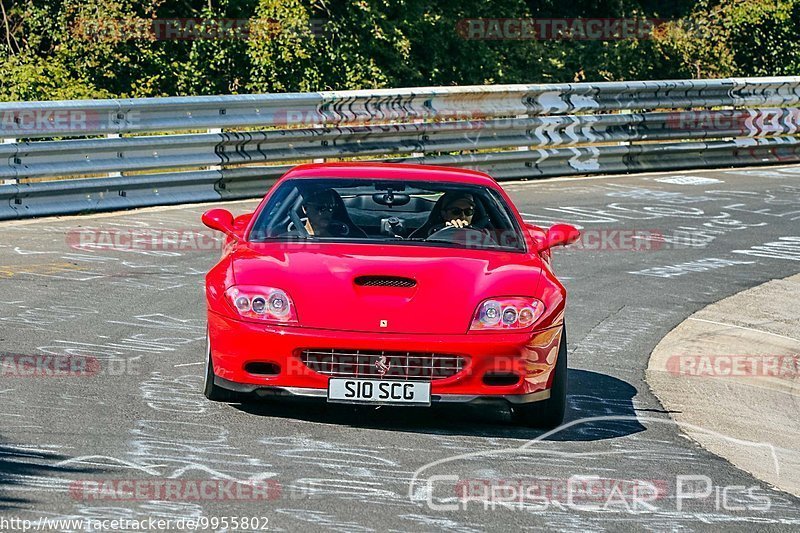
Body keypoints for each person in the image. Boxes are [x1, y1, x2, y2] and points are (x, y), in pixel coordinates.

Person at [301, 188, 366, 238]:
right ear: (305, 209)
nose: (327, 212)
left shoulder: (347, 235)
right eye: (321, 207)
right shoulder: (296, 237)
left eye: (331, 207)